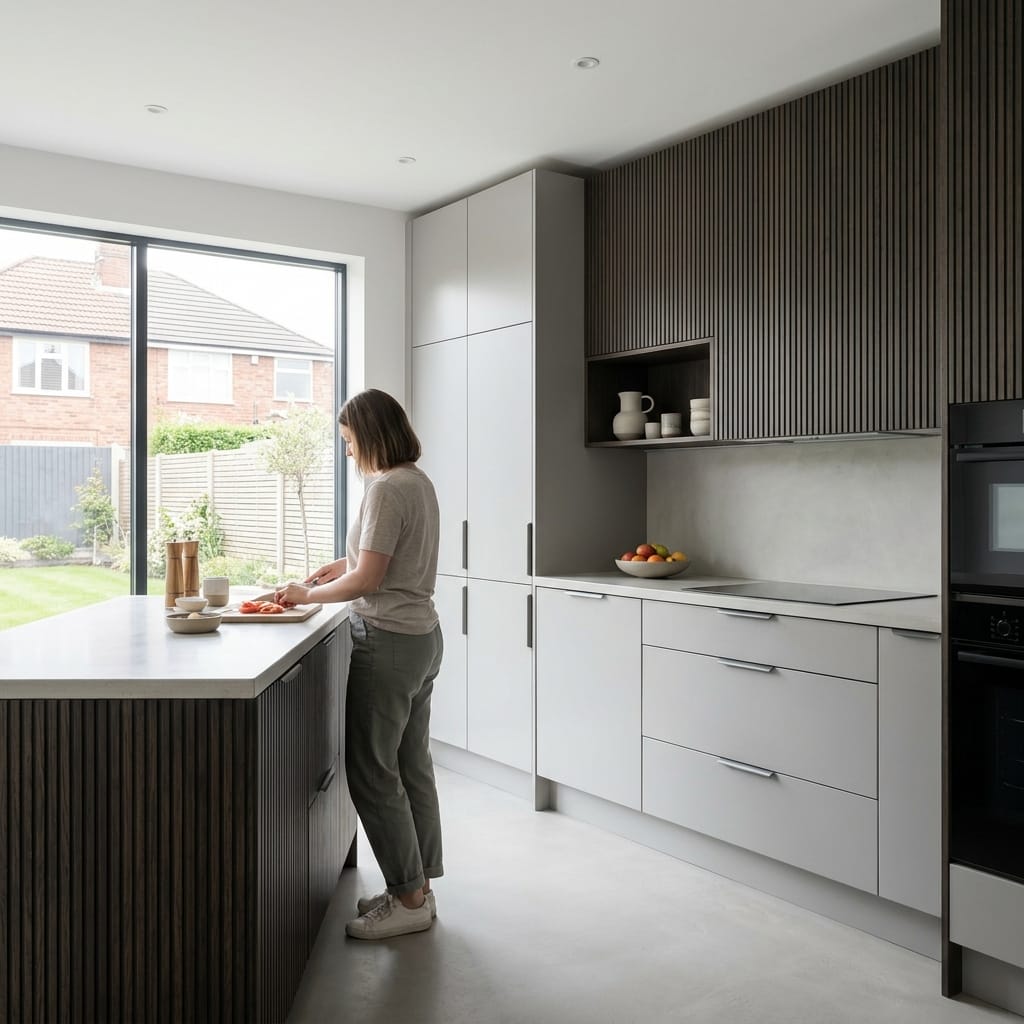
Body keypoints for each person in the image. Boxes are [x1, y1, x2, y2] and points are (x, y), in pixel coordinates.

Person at [276, 388, 443, 940]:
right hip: (423, 638)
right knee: (411, 764)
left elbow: (370, 581)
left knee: (373, 772)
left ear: (370, 436)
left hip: (388, 641)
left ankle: (409, 898)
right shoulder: (416, 482)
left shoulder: (385, 489)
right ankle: (416, 887)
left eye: (349, 443)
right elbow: (382, 559)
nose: (348, 453)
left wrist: (304, 595)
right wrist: (334, 567)